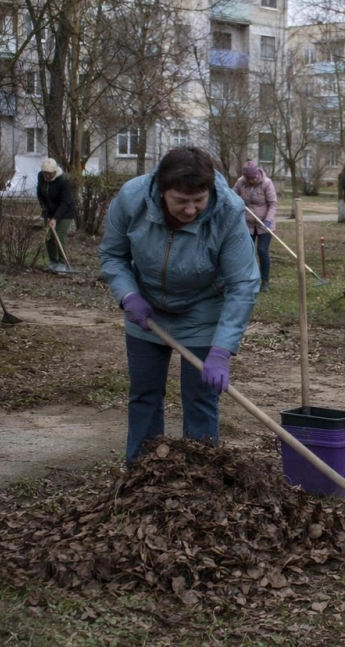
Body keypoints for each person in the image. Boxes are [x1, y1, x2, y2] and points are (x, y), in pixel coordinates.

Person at [99, 147, 260, 465]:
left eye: (198, 200)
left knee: (201, 398)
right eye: (181, 201)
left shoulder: (227, 212)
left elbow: (243, 283)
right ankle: (141, 471)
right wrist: (128, 295)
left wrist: (222, 349)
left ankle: (201, 477)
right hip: (146, 310)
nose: (191, 210)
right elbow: (113, 255)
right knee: (145, 396)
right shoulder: (132, 199)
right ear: (161, 190)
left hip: (202, 311)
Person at [232, 160, 278, 292]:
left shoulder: (267, 183)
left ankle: (265, 281)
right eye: (249, 178)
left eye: (254, 177)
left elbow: (273, 204)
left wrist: (268, 220)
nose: (252, 180)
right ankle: (250, 280)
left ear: (257, 173)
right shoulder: (241, 182)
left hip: (265, 225)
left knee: (262, 251)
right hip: (247, 224)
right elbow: (231, 196)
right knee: (248, 252)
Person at [37, 157, 77, 273]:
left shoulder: (63, 181)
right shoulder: (41, 177)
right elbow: (40, 193)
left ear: (54, 172)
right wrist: (45, 209)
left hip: (65, 212)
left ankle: (62, 264)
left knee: (58, 236)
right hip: (49, 210)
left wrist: (55, 218)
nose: (47, 176)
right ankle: (53, 262)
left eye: (49, 174)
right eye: (45, 173)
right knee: (48, 237)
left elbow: (65, 202)